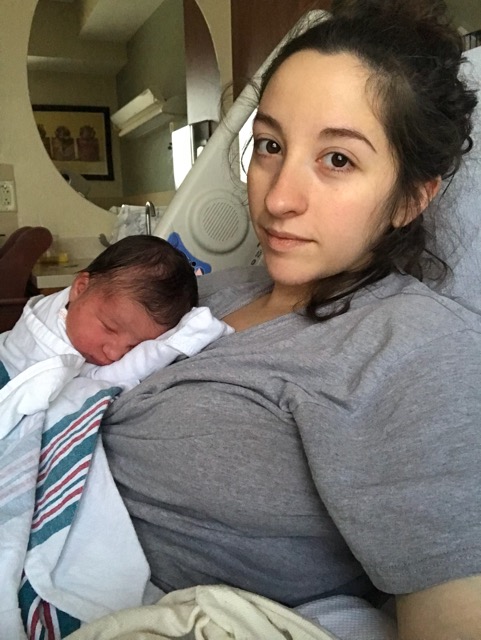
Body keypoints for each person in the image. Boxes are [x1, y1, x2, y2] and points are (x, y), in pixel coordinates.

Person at [100, 2, 481, 638]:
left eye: (338, 160)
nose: (277, 198)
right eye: (271, 146)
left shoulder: (411, 351)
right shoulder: (210, 291)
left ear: (411, 198)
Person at [0, 234, 232, 390]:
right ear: (80, 288)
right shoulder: (47, 327)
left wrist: (172, 344)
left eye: (133, 347)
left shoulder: (90, 310)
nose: (113, 354)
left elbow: (99, 383)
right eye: (109, 328)